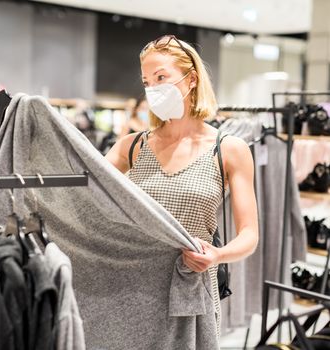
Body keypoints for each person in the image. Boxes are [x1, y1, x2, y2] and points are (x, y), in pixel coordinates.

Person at [105, 35, 258, 339]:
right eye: (147, 82)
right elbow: (81, 182)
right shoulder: (131, 147)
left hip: (191, 286)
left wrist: (217, 255)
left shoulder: (228, 148)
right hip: (132, 286)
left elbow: (250, 234)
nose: (152, 89)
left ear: (191, 80)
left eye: (161, 77)